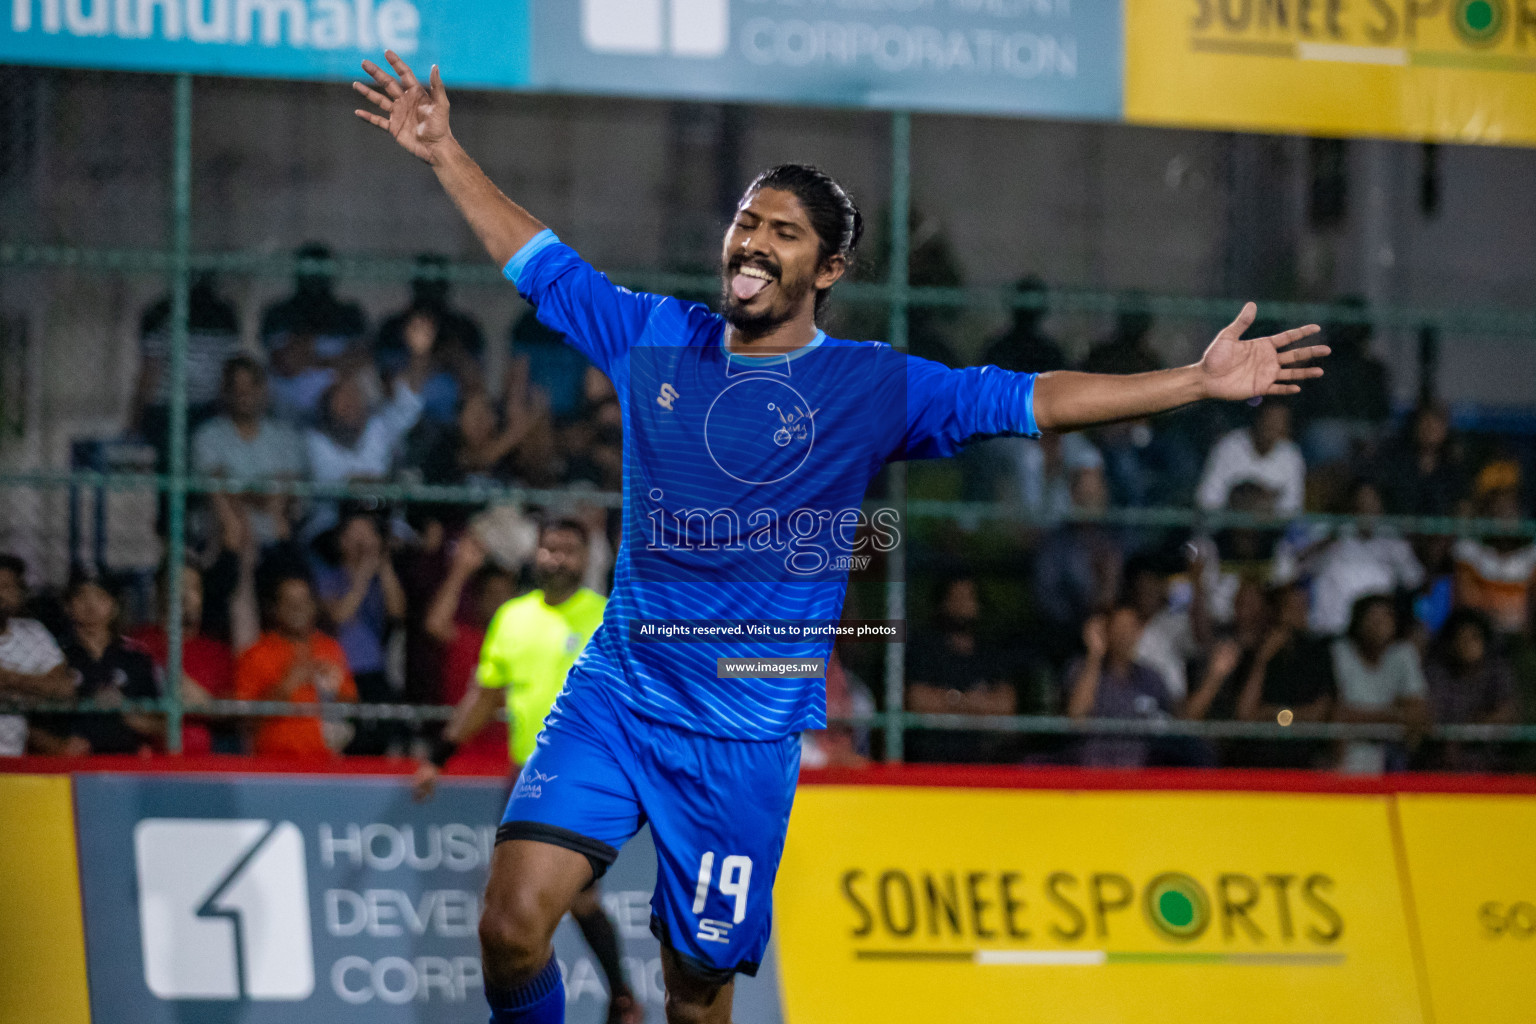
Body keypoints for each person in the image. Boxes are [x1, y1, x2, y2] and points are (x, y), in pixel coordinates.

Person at [353, 51, 1328, 1024]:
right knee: (510, 926)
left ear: (827, 269)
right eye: (746, 220)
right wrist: (443, 151)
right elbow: (537, 257)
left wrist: (1194, 383)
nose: (753, 242)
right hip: (617, 696)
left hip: (743, 745)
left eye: (783, 232)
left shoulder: (870, 386)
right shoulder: (656, 334)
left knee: (695, 995)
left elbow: (1033, 400)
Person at [413, 520, 640, 1024]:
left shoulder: (607, 617)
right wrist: (439, 756)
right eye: (549, 547)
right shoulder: (512, 619)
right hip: (528, 780)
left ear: (587, 559)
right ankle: (619, 998)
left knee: (567, 903)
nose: (557, 557)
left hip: (589, 778)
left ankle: (621, 999)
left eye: (569, 549)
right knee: (516, 917)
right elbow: (485, 696)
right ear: (534, 554)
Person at [31, 574, 162, 756]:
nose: (91, 606)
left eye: (100, 597)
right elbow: (29, 723)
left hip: (128, 760)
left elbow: (162, 723)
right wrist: (57, 746)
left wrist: (129, 713)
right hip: (71, 763)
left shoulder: (135, 656)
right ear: (68, 606)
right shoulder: (52, 654)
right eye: (81, 597)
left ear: (114, 606)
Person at [314, 509, 407, 755]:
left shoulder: (379, 581)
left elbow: (398, 613)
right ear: (341, 540)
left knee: (379, 738)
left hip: (374, 672)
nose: (362, 542)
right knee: (347, 740)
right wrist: (365, 570)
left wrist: (383, 562)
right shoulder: (328, 577)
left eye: (367, 535)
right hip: (341, 672)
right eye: (355, 535)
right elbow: (339, 615)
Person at [192, 356, 309, 549]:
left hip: (275, 533)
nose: (243, 393)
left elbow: (288, 488)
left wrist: (241, 490)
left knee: (293, 578)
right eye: (236, 386)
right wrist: (259, 492)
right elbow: (217, 485)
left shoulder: (285, 436)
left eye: (251, 385)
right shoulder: (207, 435)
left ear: (264, 389)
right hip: (223, 536)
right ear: (225, 391)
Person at [234, 574, 357, 757]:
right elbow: (244, 721)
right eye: (288, 601)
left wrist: (334, 686)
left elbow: (352, 708)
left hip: (325, 764)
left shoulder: (330, 648)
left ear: (314, 606)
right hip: (272, 766)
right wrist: (287, 685)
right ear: (275, 608)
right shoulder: (255, 653)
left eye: (304, 600)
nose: (297, 607)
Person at [129, 274, 243, 464]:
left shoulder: (223, 316)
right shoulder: (162, 315)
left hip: (206, 409)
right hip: (167, 410)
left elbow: (228, 370)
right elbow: (151, 371)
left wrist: (135, 420)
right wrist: (136, 420)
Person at [905, 576, 1017, 764]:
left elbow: (1006, 705)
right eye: (957, 597)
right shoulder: (924, 647)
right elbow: (918, 700)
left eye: (969, 597)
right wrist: (970, 701)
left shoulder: (988, 650)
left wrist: (950, 701)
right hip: (931, 759)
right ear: (943, 603)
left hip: (981, 760)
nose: (964, 604)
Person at [128, 562, 236, 755]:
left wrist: (206, 704)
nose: (185, 595)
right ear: (160, 591)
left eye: (193, 588)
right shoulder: (137, 643)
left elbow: (235, 709)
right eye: (177, 585)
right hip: (144, 760)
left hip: (204, 764)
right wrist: (160, 721)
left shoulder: (217, 651)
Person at [260, 242, 369, 423]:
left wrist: (311, 359)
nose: (315, 279)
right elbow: (285, 364)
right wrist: (333, 362)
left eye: (321, 271)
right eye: (309, 271)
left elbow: (359, 361)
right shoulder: (278, 312)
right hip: (289, 416)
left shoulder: (349, 313)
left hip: (339, 416)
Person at [1234, 583, 1336, 768]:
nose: (1299, 613)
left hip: (1305, 755)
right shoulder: (1253, 652)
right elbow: (1246, 713)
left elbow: (1320, 712)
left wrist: (1277, 714)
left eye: (1303, 606)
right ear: (1276, 611)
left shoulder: (1318, 653)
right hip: (1257, 758)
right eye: (1292, 607)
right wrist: (1262, 660)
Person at [1065, 606, 1178, 768]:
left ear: (1139, 632)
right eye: (1118, 628)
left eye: (1130, 628)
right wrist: (1095, 655)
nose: (1124, 635)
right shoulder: (1082, 669)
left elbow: (1171, 728)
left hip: (1140, 777)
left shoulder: (1152, 679)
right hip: (1092, 774)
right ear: (1107, 632)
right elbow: (1076, 717)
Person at [1331, 594, 1430, 774]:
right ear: (1357, 622)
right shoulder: (1340, 652)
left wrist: (1362, 717)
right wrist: (1393, 715)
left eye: (1385, 617)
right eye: (1372, 617)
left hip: (1393, 762)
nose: (1379, 624)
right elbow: (1337, 714)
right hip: (1344, 762)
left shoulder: (1404, 654)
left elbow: (1417, 714)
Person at [1424, 608, 1519, 772]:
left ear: (1485, 641)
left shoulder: (1497, 672)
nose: (1467, 645)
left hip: (1489, 764)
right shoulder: (1436, 674)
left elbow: (1507, 713)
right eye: (1461, 638)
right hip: (1440, 764)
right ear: (1450, 643)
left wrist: (1463, 734)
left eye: (1474, 638)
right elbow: (1428, 716)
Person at [0, 555, 76, 755]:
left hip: (14, 754)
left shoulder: (32, 631)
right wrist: (33, 685)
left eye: (7, 587)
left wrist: (9, 678)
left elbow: (64, 688)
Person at [1196, 401, 1305, 514]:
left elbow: (1292, 508)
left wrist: (1264, 508)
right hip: (1226, 525)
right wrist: (1241, 506)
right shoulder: (1229, 445)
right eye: (1269, 419)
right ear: (1258, 418)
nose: (1273, 426)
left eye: (1279, 422)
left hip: (1270, 529)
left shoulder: (1291, 454)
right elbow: (1207, 500)